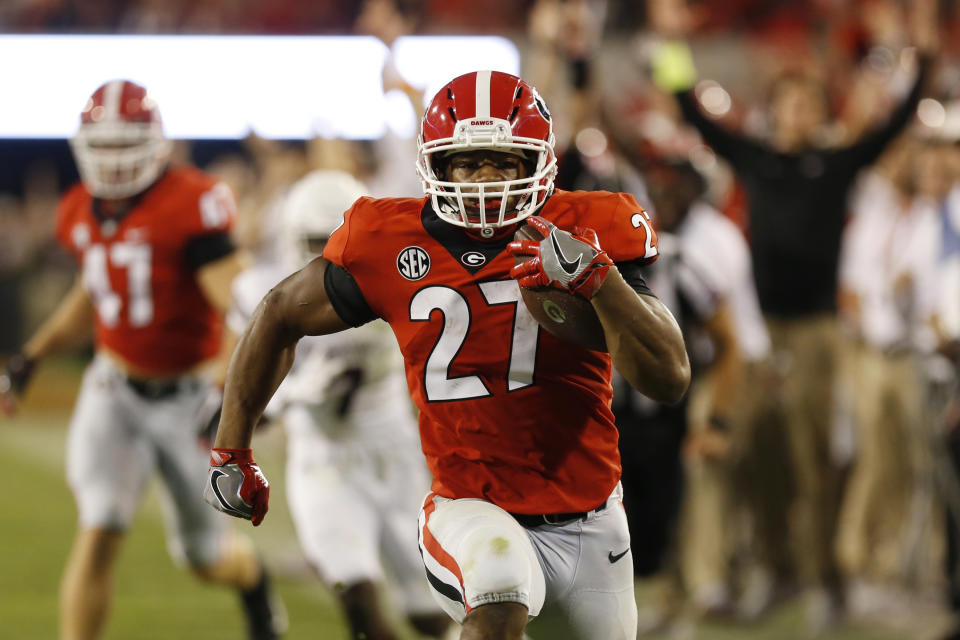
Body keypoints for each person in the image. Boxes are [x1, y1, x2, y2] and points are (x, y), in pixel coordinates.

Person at [203, 70, 690, 640]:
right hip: (469, 507)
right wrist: (230, 449)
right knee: (498, 599)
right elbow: (277, 313)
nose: (485, 180)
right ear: (436, 166)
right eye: (467, 162)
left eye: (502, 162)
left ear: (538, 164)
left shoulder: (590, 228)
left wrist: (601, 282)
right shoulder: (391, 239)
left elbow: (668, 376)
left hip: (592, 517)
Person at [648, 0, 938, 632]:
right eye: (791, 104)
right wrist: (671, 44)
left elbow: (895, 125)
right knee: (758, 456)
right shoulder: (755, 158)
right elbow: (690, 107)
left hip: (816, 332)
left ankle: (825, 581)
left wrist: (927, 53)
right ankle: (775, 571)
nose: (799, 114)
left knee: (814, 458)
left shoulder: (835, 164)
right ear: (775, 108)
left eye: (810, 105)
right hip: (754, 332)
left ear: (820, 114)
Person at [0, 80, 285, 640]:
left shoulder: (189, 202)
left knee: (204, 559)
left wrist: (232, 390)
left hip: (186, 399)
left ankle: (254, 585)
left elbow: (241, 306)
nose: (111, 159)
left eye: (122, 143)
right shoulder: (79, 206)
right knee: (100, 525)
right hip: (113, 388)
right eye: (100, 145)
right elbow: (95, 291)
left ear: (155, 144)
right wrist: (33, 355)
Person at [227, 168, 450, 640]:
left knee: (434, 611)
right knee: (359, 600)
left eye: (335, 239)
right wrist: (292, 393)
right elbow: (254, 401)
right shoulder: (262, 294)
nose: (326, 256)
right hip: (323, 462)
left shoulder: (393, 287)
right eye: (313, 241)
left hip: (393, 456)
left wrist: (297, 391)